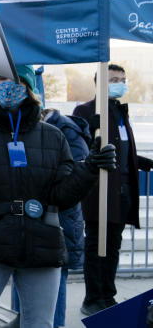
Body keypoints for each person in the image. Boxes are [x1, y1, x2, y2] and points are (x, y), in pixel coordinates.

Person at [0, 65, 115, 328]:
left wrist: (90, 167)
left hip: (41, 245)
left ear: (29, 87)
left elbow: (62, 196)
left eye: (15, 79)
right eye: (1, 78)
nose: (7, 85)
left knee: (40, 324)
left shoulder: (53, 136)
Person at [74, 64, 153, 316]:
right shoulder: (86, 110)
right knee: (97, 244)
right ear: (99, 83)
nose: (119, 83)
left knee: (113, 246)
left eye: (122, 79)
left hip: (123, 190)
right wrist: (90, 130)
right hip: (99, 191)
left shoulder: (119, 112)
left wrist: (142, 162)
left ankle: (107, 295)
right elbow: (81, 150)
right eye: (113, 79)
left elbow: (122, 150)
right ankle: (92, 297)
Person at [6, 106, 91, 328]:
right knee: (22, 274)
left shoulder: (64, 132)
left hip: (57, 219)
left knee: (53, 283)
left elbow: (73, 178)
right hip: (30, 219)